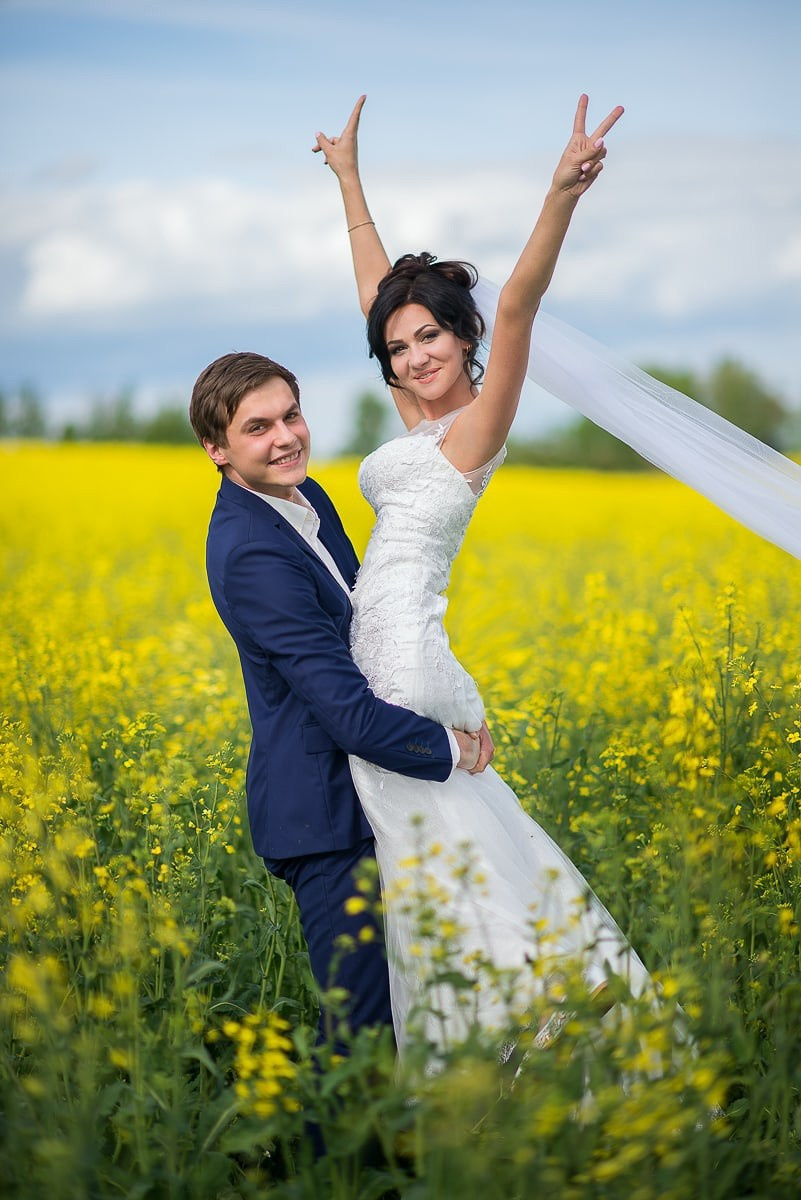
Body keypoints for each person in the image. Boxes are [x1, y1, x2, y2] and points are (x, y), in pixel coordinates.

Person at [313, 95, 656, 1054]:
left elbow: (516, 304)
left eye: (433, 337)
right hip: (400, 661)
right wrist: (347, 181)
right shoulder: (419, 421)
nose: (415, 355)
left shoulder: (473, 430)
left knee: (437, 870)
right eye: (400, 347)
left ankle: (527, 1030)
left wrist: (559, 197)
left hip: (398, 667)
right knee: (444, 863)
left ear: (464, 339)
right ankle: (526, 1021)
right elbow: (379, 297)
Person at [188, 351, 494, 1043]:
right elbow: (345, 709)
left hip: (373, 791)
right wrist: (449, 747)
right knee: (359, 1027)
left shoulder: (307, 498)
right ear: (216, 449)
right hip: (322, 817)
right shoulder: (249, 552)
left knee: (406, 1007)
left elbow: (369, 634)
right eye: (257, 427)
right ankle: (317, 1155)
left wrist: (444, 697)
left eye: (290, 415)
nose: (286, 437)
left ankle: (394, 1148)